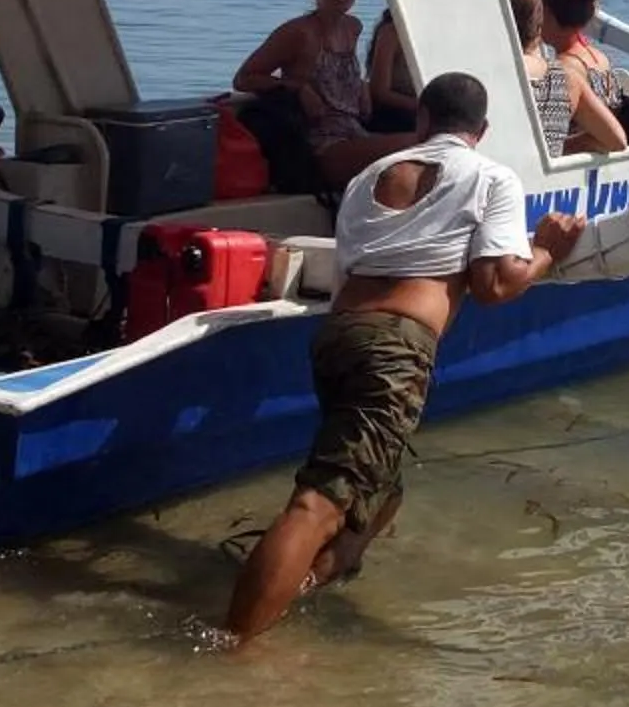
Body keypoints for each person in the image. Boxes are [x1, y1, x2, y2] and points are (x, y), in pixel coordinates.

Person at [223, 72, 584, 641]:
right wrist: (547, 250)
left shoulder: (369, 176)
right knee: (318, 502)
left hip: (340, 336)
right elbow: (495, 284)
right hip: (395, 349)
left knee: (381, 492)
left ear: (420, 121)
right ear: (481, 130)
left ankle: (300, 588)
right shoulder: (490, 176)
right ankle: (233, 647)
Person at [233, 0, 419, 189]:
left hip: (355, 132)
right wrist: (296, 87)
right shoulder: (298, 33)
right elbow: (244, 78)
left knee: (436, 143)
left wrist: (360, 86)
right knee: (417, 144)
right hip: (319, 145)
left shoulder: (352, 27)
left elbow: (340, 76)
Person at [537, 0, 629, 156]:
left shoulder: (564, 68)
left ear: (551, 16)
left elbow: (553, 135)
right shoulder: (599, 57)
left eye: (541, 11)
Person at [364, 8, 418, 133]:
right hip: (395, 113)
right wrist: (421, 106)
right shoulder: (392, 32)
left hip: (424, 110)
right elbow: (379, 92)